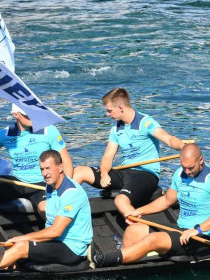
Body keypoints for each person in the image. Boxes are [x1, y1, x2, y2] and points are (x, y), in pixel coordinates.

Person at [94, 144, 210, 267]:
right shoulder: (180, 174)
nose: (187, 172)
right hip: (181, 230)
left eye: (191, 168)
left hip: (201, 238)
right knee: (133, 230)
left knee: (153, 239)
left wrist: (197, 230)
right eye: (184, 167)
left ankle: (104, 260)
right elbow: (167, 200)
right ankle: (127, 265)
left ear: (201, 160)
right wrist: (139, 211)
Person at [0, 149, 92, 274]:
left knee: (21, 246)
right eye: (42, 169)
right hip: (55, 243)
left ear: (61, 167)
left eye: (48, 168)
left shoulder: (71, 193)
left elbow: (55, 231)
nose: (45, 173)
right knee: (17, 249)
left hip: (72, 249)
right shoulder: (50, 187)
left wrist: (23, 238)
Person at [77, 87, 187, 218]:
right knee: (79, 171)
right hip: (125, 172)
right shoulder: (116, 127)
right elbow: (107, 156)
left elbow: (168, 139)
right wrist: (105, 173)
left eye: (109, 110)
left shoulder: (145, 122)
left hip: (145, 174)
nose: (107, 114)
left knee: (120, 200)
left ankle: (135, 225)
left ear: (121, 108)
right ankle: (64, 211)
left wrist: (184, 147)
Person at [0, 105, 73, 214]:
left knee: (45, 209)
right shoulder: (6, 133)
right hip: (17, 183)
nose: (32, 117)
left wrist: (65, 191)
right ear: (16, 114)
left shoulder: (48, 130)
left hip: (42, 185)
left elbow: (66, 162)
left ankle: (57, 230)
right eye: (27, 115)